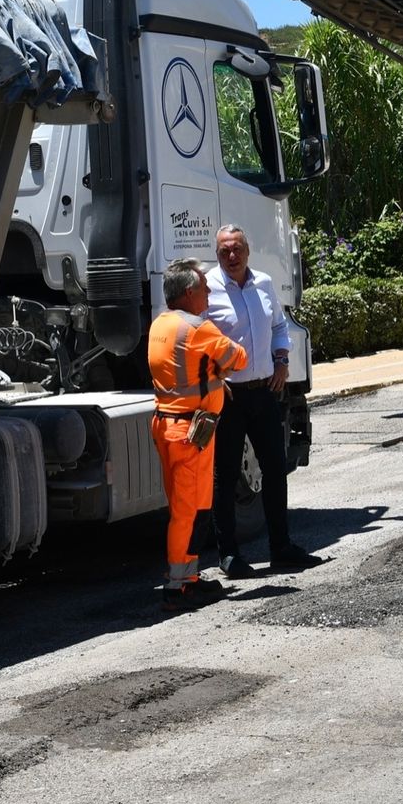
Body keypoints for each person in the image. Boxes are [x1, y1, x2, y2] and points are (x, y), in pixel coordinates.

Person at [205, 225, 323, 578]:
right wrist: (211, 378)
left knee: (274, 469)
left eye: (237, 249)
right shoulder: (207, 288)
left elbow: (278, 326)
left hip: (263, 392)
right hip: (228, 396)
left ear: (247, 250)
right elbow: (196, 338)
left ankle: (281, 548)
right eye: (224, 250)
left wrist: (282, 359)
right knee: (226, 477)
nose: (231, 255)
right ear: (217, 253)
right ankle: (229, 555)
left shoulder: (264, 283)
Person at [148, 258, 246, 612]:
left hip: (167, 425)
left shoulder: (160, 324)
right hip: (191, 432)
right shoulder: (199, 328)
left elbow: (188, 368)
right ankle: (178, 586)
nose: (209, 293)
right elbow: (240, 358)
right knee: (192, 511)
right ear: (189, 292)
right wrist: (217, 369)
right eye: (205, 288)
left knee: (182, 508)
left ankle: (186, 577)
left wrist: (210, 371)